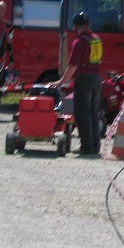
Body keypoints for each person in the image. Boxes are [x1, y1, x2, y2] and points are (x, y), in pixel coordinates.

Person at [53, 11, 102, 155]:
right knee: (93, 112)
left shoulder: (79, 42)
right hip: (96, 78)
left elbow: (73, 65)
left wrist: (62, 81)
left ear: (75, 26)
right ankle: (95, 146)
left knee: (82, 114)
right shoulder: (96, 39)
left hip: (84, 79)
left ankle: (86, 147)